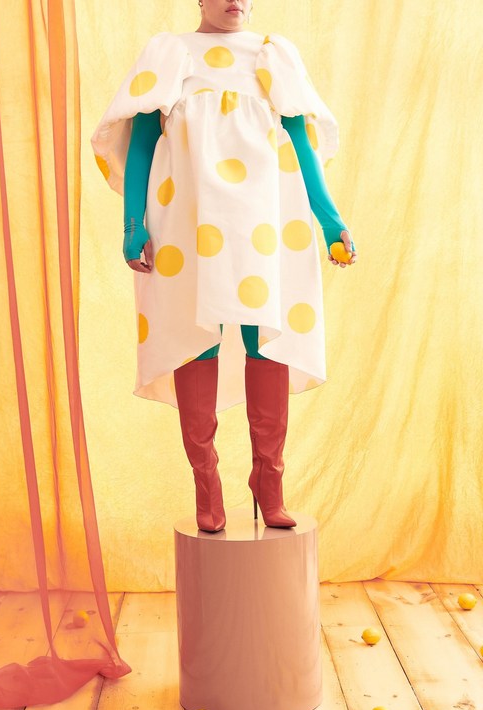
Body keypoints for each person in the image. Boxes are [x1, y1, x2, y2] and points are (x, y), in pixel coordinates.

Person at [91, 0, 357, 534]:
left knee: (267, 340)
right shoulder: (171, 53)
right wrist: (132, 225)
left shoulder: (273, 56)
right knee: (196, 338)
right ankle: (205, 482)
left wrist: (331, 222)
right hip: (187, 222)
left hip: (265, 222)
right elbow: (142, 146)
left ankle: (269, 479)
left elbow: (300, 144)